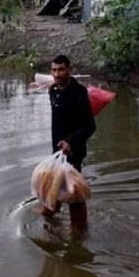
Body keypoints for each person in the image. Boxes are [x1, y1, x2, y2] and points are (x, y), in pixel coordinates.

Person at [41, 54, 96, 230]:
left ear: (69, 70)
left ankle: (79, 232)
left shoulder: (78, 93)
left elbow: (90, 126)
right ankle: (49, 219)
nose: (57, 74)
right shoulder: (53, 90)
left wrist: (70, 142)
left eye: (61, 70)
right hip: (57, 153)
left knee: (74, 194)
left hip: (73, 152)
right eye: (54, 70)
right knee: (54, 189)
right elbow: (52, 83)